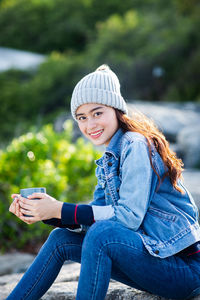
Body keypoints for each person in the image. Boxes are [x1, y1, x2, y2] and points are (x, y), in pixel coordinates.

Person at [7, 65, 200, 300]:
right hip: (152, 259)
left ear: (117, 110)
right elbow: (94, 218)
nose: (90, 125)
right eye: (82, 117)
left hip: (184, 269)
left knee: (103, 233)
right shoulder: (110, 159)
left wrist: (60, 208)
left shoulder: (135, 145)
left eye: (97, 113)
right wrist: (47, 213)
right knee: (61, 239)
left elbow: (127, 218)